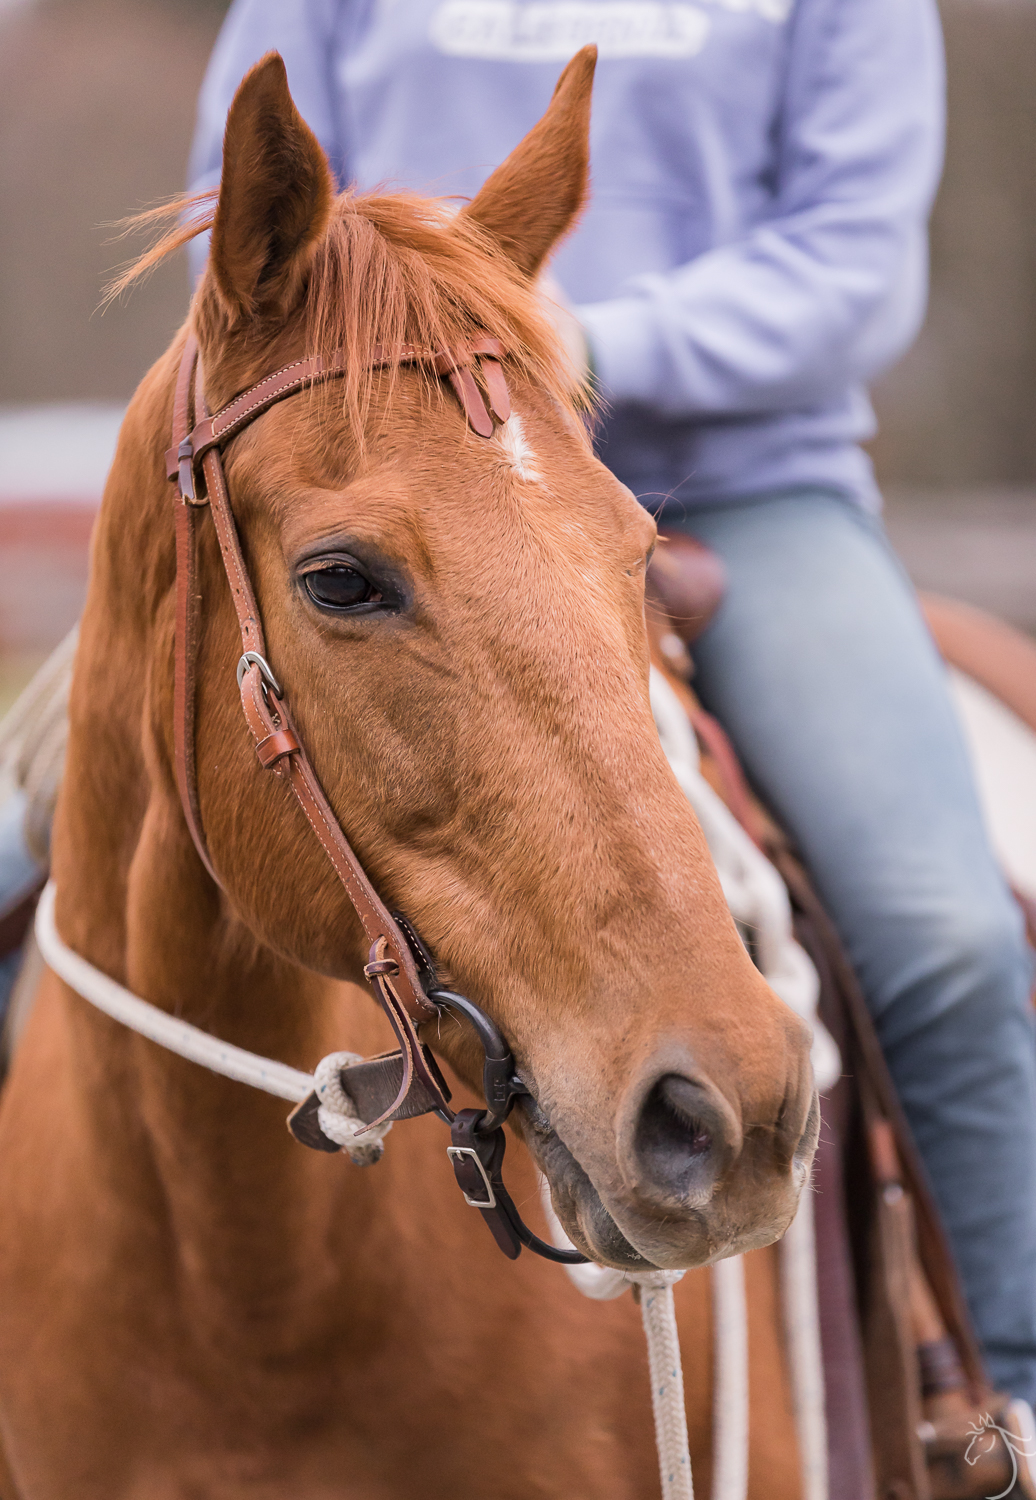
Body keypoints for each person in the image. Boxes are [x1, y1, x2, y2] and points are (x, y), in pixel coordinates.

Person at [109, 0, 1036, 1410]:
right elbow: (247, 245)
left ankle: (1009, 1395)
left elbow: (854, 270)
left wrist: (549, 334)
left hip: (744, 483)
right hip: (361, 477)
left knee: (944, 932)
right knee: (32, 860)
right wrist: (437, 366)